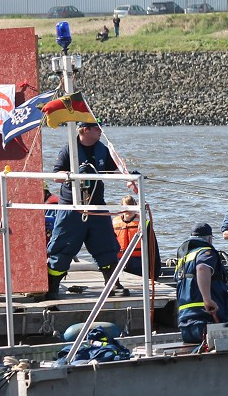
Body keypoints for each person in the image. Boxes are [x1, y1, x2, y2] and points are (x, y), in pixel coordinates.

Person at [45, 120, 123, 299]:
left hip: (96, 206)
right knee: (62, 246)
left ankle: (113, 283)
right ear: (85, 130)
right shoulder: (68, 150)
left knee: (107, 245)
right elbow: (55, 175)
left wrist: (128, 176)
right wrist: (67, 176)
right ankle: (53, 286)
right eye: (97, 128)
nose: (100, 131)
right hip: (72, 208)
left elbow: (114, 171)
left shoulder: (103, 149)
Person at [175, 223, 228, 345]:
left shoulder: (183, 259)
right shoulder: (206, 252)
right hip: (205, 319)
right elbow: (202, 268)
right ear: (210, 239)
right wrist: (207, 299)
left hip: (185, 321)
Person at [113, 194, 162, 281]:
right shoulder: (114, 223)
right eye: (126, 207)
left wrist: (155, 272)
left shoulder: (143, 223)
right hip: (119, 262)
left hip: (139, 263)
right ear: (121, 208)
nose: (128, 211)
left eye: (131, 207)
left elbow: (154, 250)